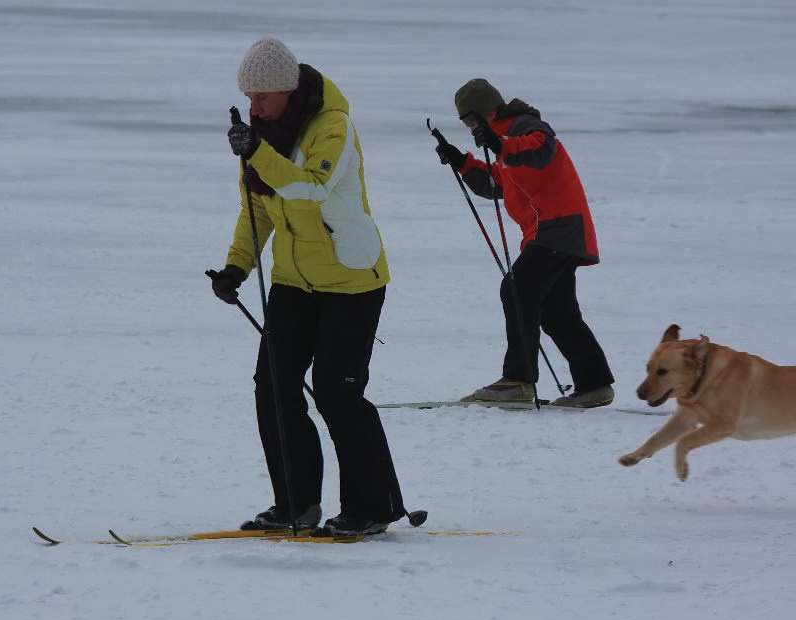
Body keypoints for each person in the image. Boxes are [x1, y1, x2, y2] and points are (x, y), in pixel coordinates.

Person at [211, 37, 406, 535]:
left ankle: (371, 508)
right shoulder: (260, 134)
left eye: (261, 97)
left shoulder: (332, 127)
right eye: (248, 97)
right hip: (292, 281)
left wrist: (257, 152)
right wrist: (237, 267)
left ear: (286, 90)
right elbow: (256, 208)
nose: (253, 106)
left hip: (350, 280)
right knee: (273, 389)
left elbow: (309, 188)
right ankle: (295, 503)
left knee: (337, 395)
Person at [434, 78, 615, 408]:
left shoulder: (524, 126)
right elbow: (497, 184)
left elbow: (539, 147)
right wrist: (461, 161)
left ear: (490, 109)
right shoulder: (501, 140)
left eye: (472, 118)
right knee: (557, 312)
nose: (471, 126)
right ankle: (595, 384)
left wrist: (500, 144)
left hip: (558, 227)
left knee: (516, 290)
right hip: (550, 230)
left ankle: (518, 380)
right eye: (465, 122)